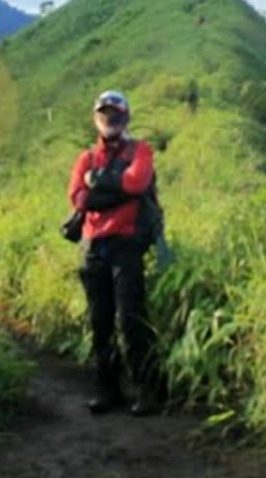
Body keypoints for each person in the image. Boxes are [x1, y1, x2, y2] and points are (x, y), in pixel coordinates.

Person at [68, 90, 159, 416]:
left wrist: (98, 184)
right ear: (96, 117)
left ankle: (148, 389)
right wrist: (111, 187)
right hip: (94, 248)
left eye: (116, 113)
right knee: (100, 321)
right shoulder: (86, 158)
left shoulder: (142, 151)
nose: (110, 118)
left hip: (127, 246)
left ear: (126, 117)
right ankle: (108, 389)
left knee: (131, 319)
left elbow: (136, 183)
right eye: (104, 113)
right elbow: (78, 197)